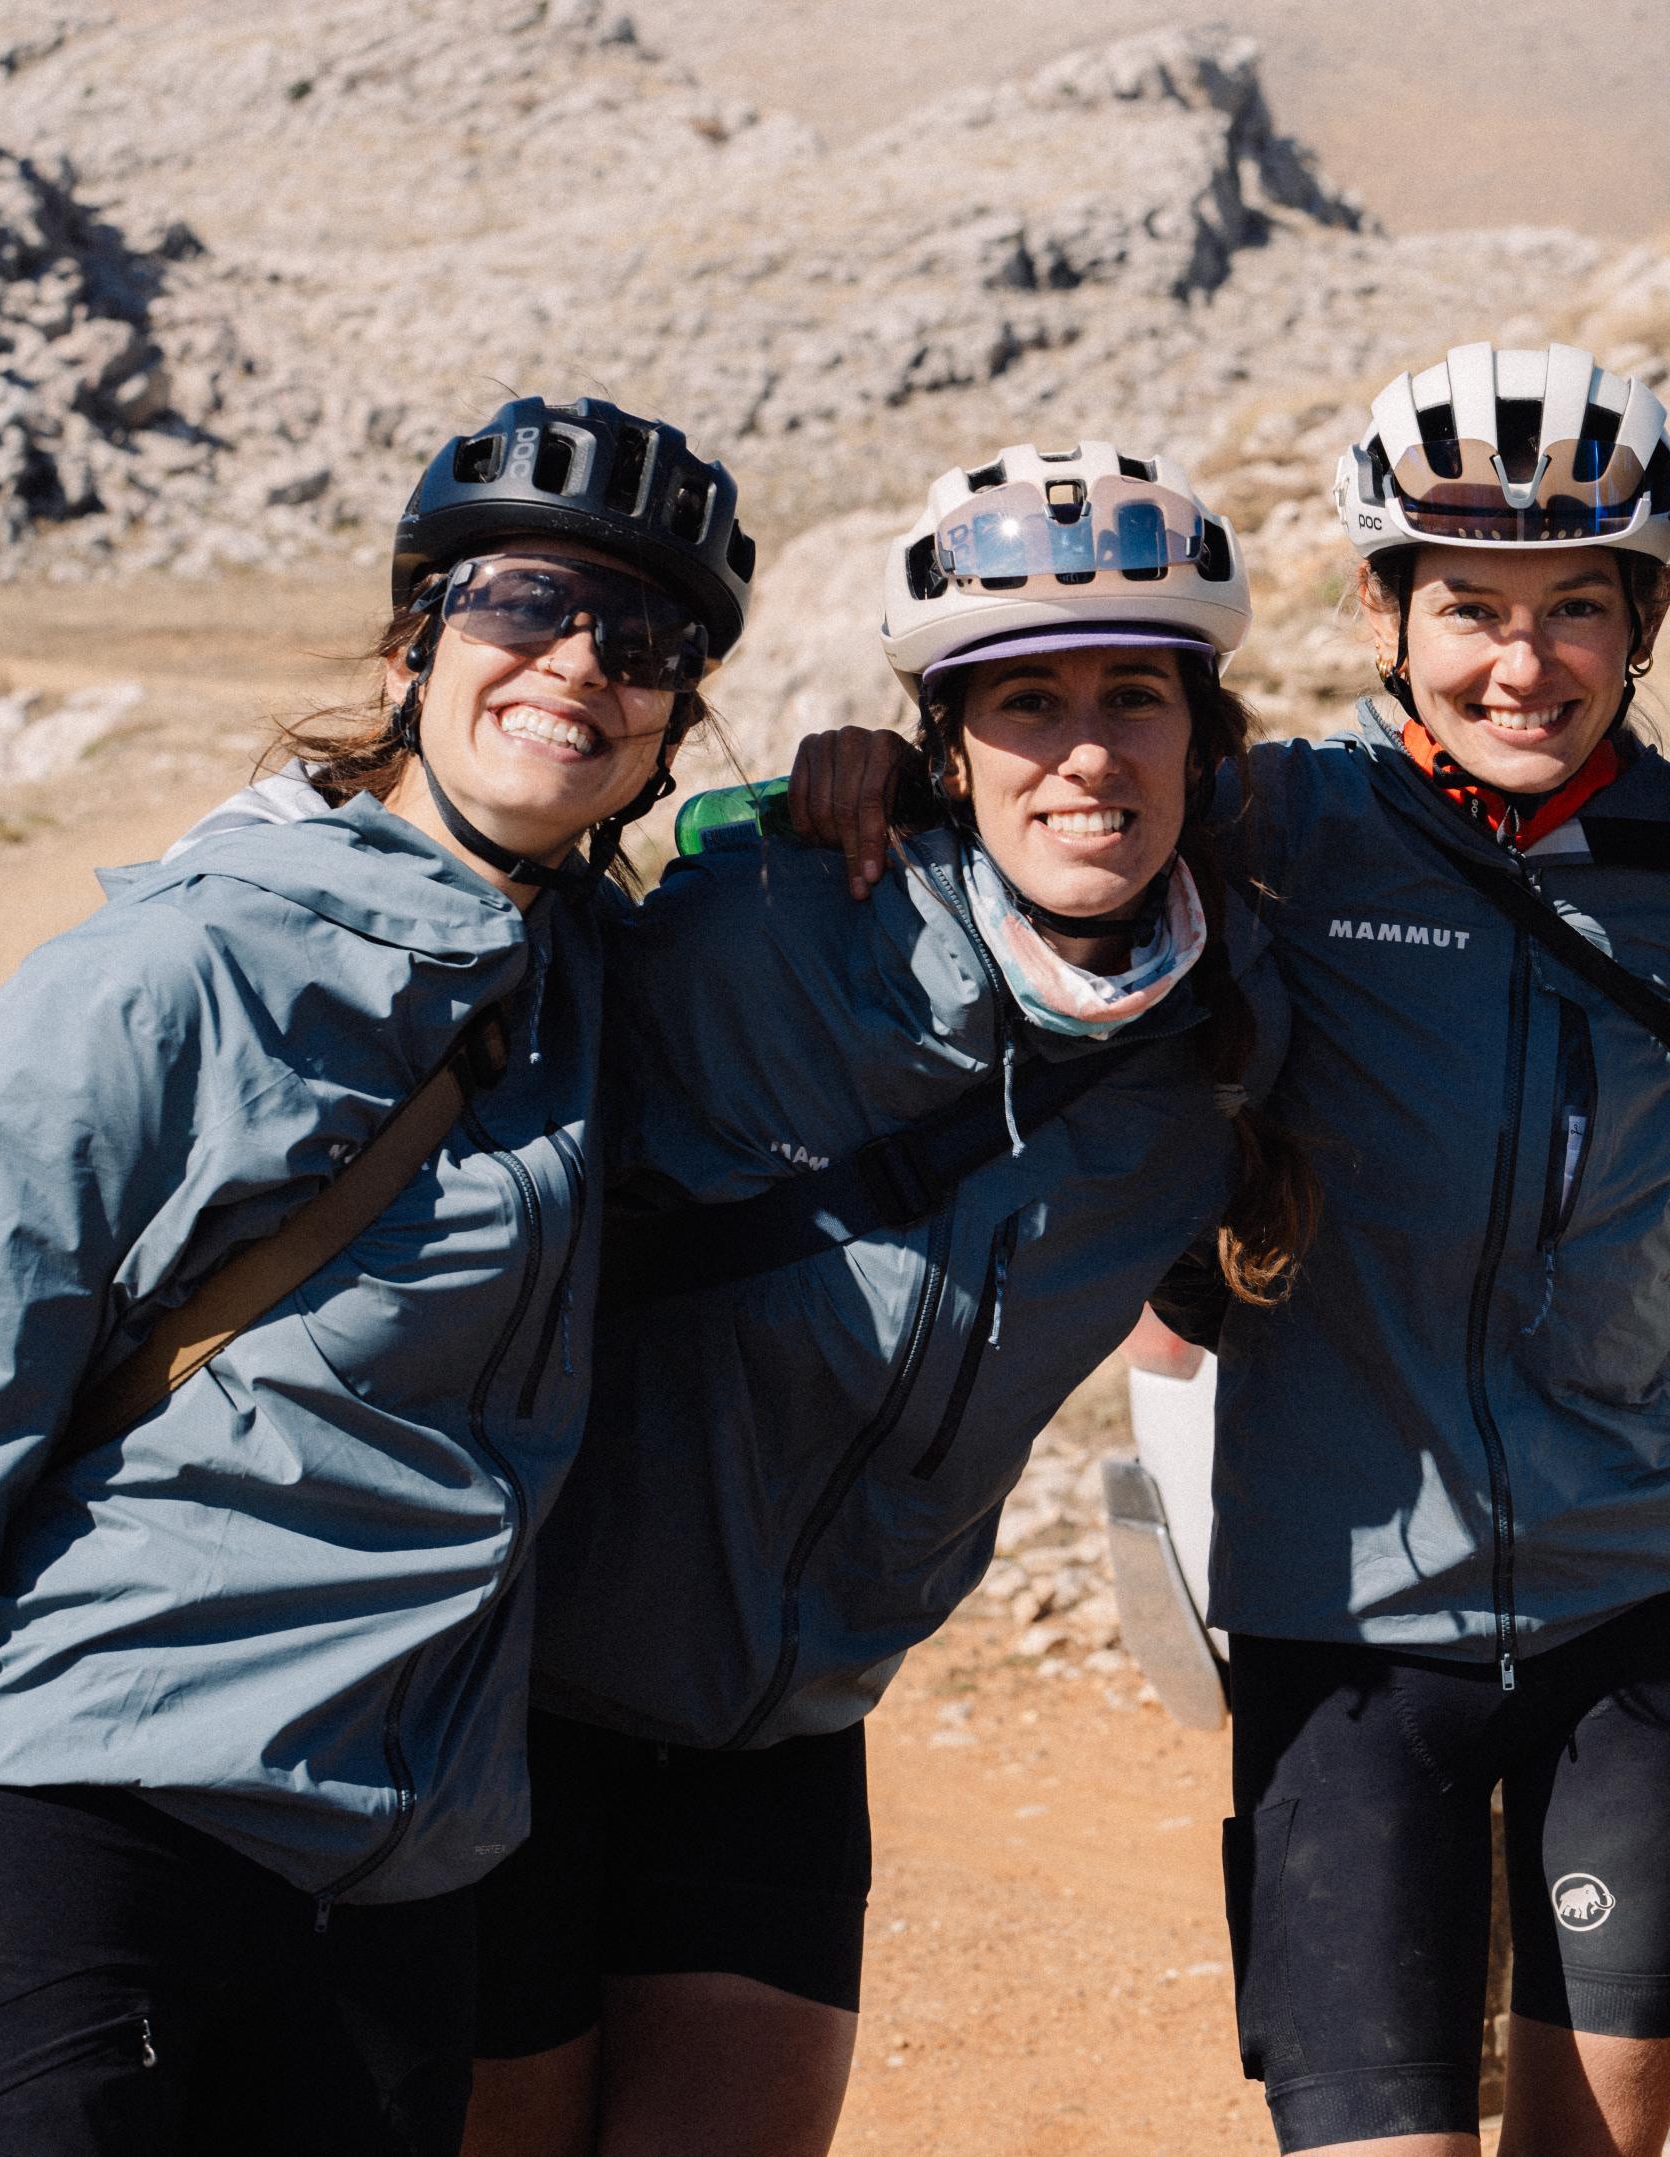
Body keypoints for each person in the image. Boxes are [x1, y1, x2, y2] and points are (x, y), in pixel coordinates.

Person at [792, 341, 1670, 2157]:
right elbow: (1032, 828)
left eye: (1579, 606)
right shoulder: (1274, 830)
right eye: (1469, 604)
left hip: (1655, 1594)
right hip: (1346, 1618)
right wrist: (840, 775)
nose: (1522, 661)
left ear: (1645, 619)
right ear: (1377, 604)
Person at [457, 442, 1312, 2157]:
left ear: (1202, 737)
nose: (1083, 752)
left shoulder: (1221, 1052)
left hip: (786, 1733)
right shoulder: (758, 929)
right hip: (509, 1705)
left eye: (1134, 698)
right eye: (1024, 705)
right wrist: (744, 802)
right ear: (945, 746)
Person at [0, 395, 748, 2155]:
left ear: (670, 721)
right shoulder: (182, 963)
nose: (579, 665)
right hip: (101, 1812)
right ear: (417, 642)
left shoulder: (589, 989)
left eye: (645, 645)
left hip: (401, 1875)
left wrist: (876, 775)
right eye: (527, 602)